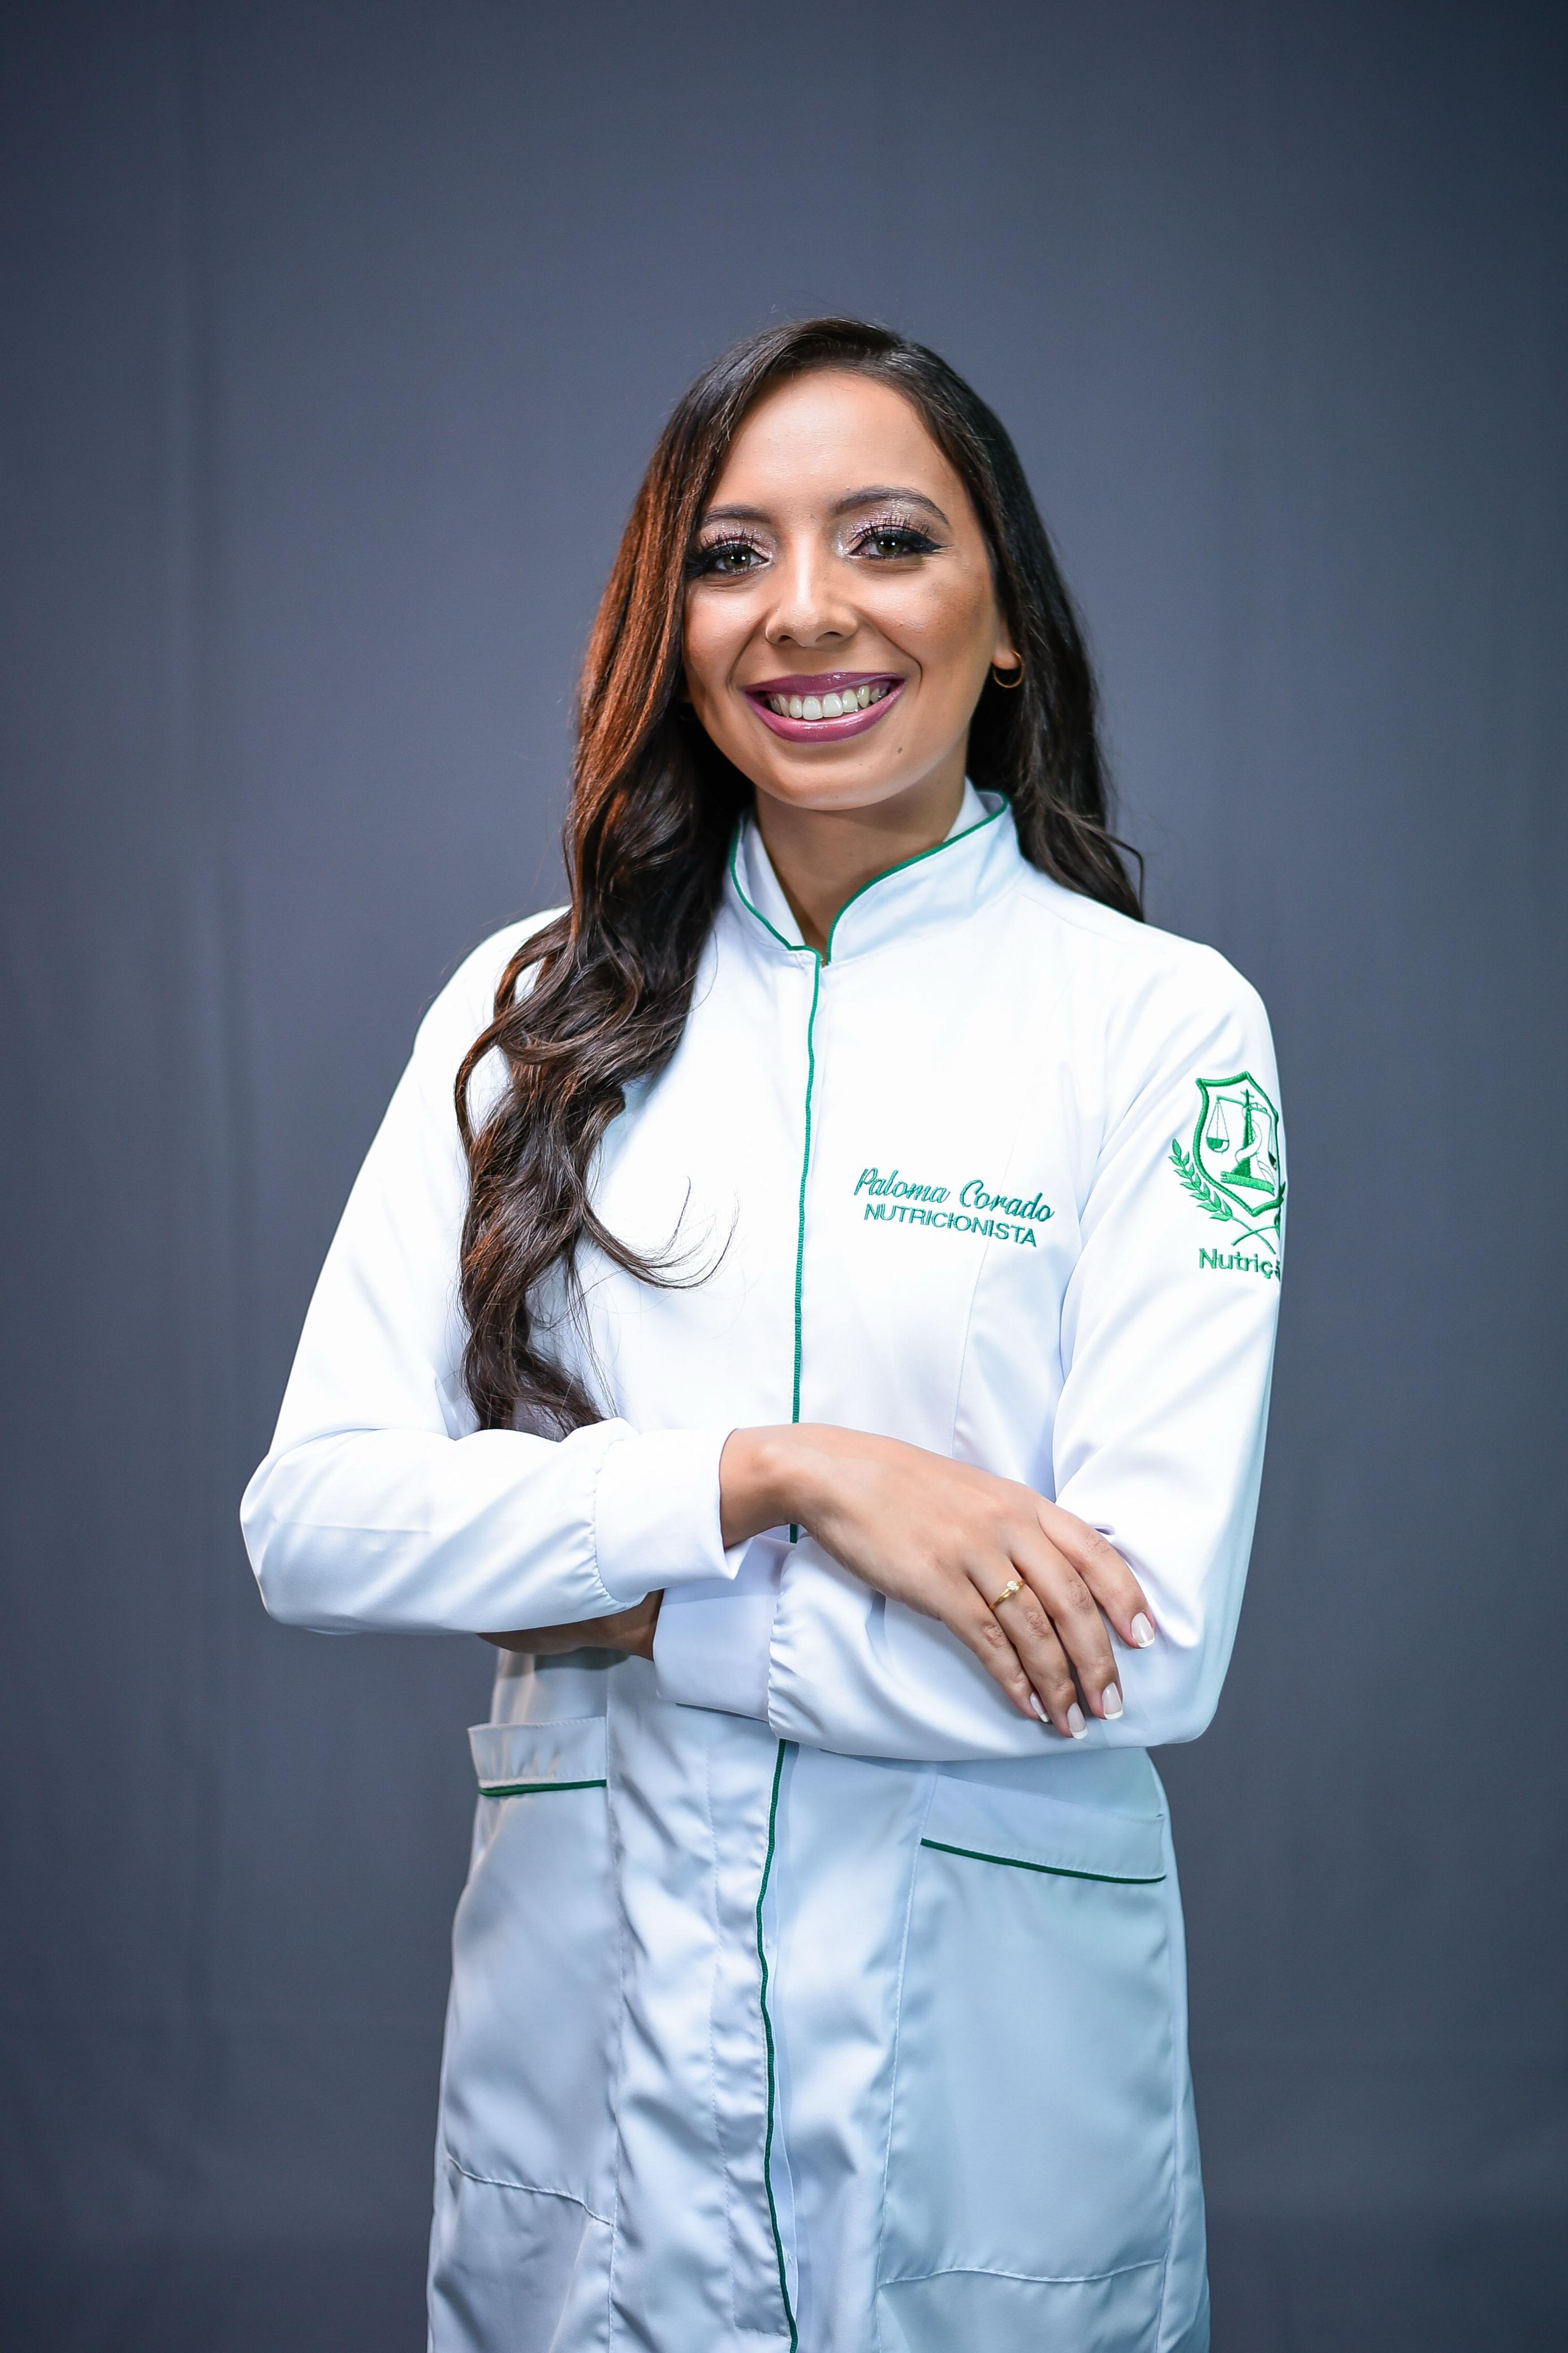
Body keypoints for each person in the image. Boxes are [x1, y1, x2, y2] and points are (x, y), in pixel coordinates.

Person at [241, 317, 1284, 2353]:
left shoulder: (1161, 1029)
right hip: (603, 2058)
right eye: (733, 555)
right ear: (674, 623)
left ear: (1006, 620)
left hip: (991, 2072)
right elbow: (316, 1522)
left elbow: (1141, 1641)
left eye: (887, 539)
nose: (805, 610)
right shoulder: (528, 1016)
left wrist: (642, 1610)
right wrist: (780, 1479)